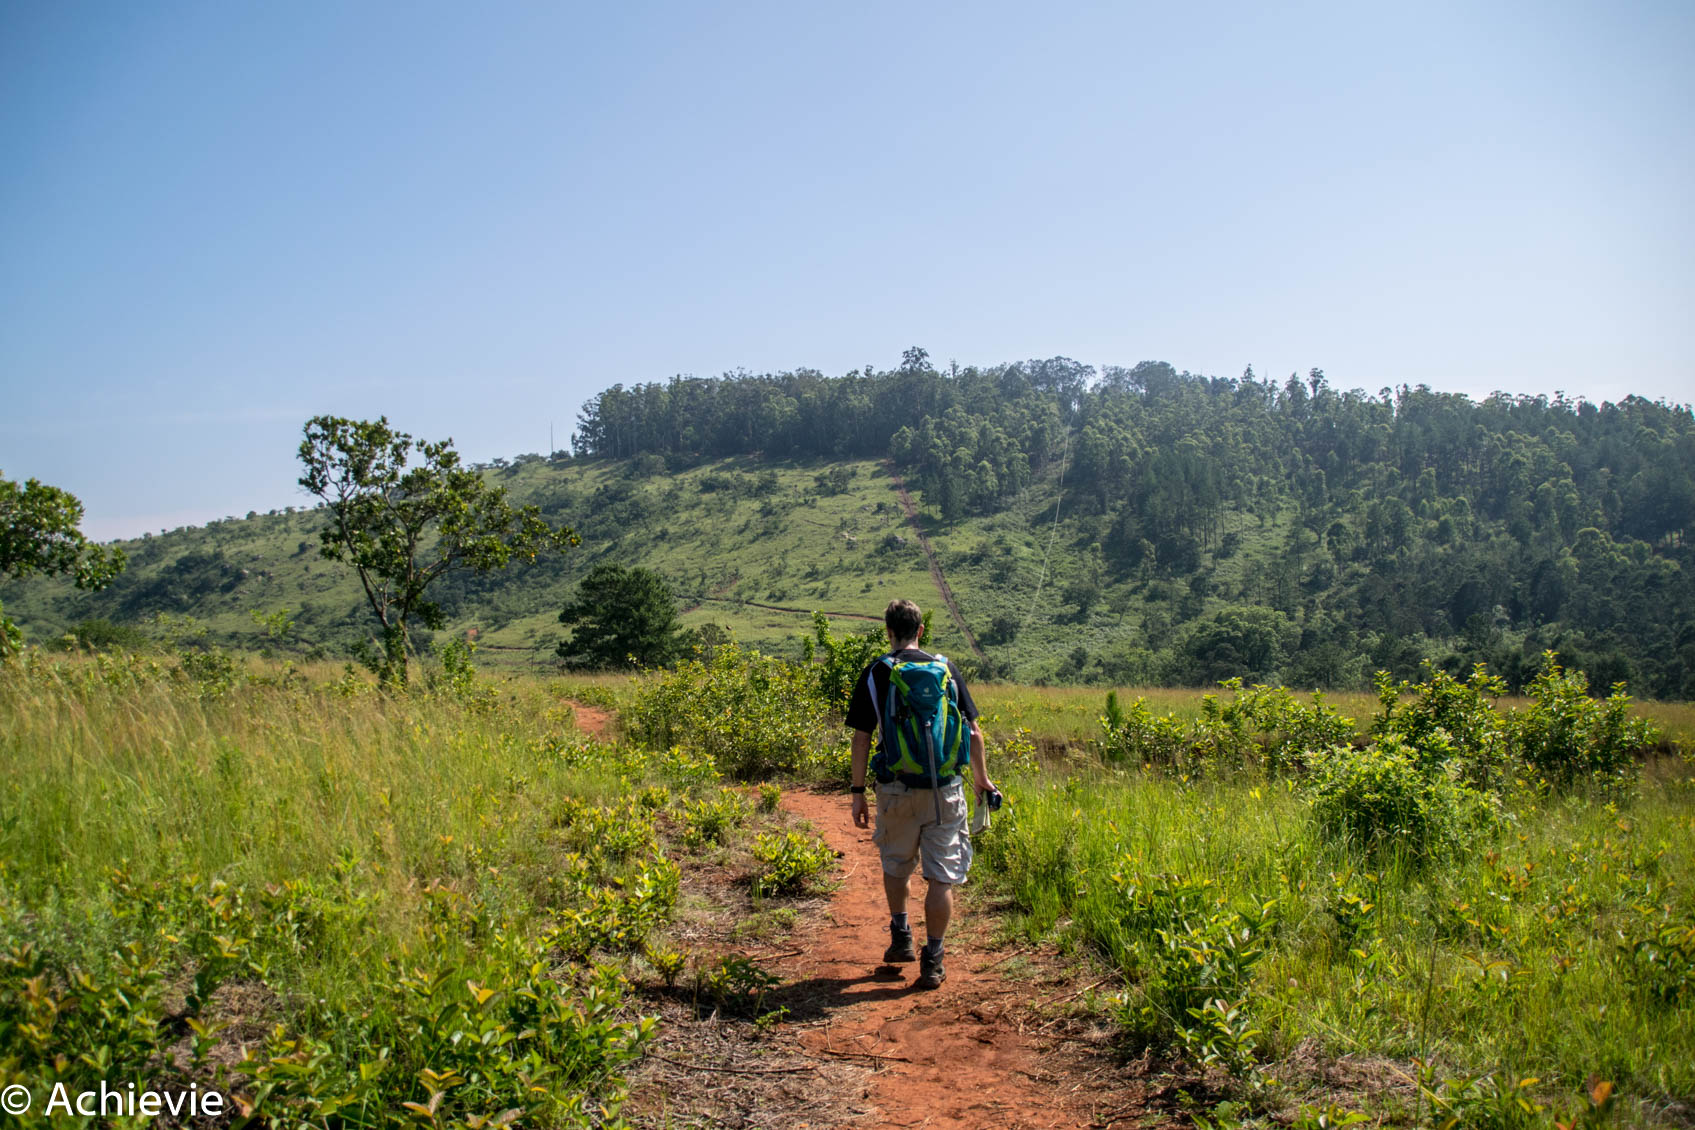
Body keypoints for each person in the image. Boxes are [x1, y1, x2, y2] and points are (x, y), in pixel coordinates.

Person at [846, 598, 996, 989]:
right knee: (941, 878)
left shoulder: (877, 672)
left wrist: (858, 791)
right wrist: (981, 779)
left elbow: (862, 739)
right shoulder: (946, 668)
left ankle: (901, 936)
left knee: (897, 863)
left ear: (888, 631)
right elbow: (973, 731)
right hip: (945, 789)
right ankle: (934, 959)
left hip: (896, 788)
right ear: (921, 630)